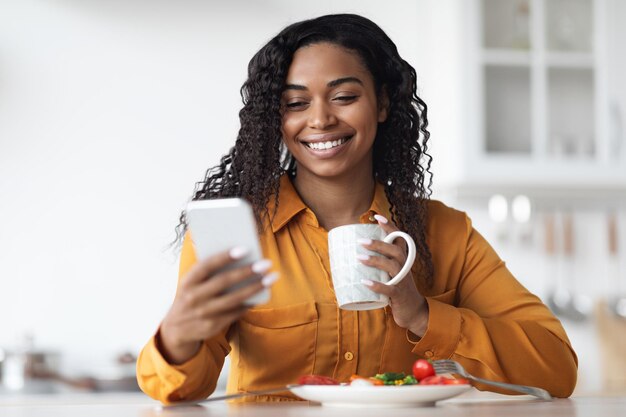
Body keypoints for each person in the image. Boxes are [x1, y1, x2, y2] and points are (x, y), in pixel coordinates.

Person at [136, 13, 577, 404]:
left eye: (344, 96)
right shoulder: (240, 234)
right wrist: (178, 335)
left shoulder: (444, 232)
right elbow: (181, 391)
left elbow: (557, 368)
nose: (321, 119)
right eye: (295, 103)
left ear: (382, 103)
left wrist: (422, 315)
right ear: (277, 118)